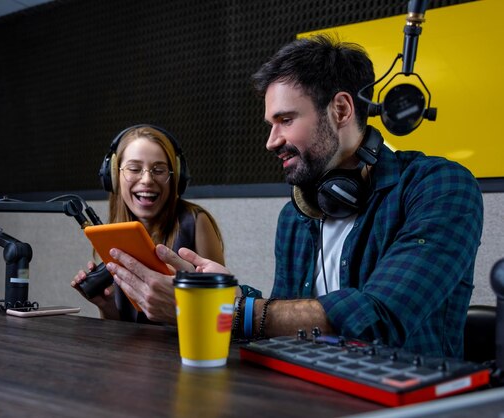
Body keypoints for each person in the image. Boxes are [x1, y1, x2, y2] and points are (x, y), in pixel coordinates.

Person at [101, 34, 484, 359]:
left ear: (340, 109)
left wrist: (225, 312)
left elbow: (379, 317)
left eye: (285, 120)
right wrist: (224, 293)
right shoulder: (296, 213)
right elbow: (285, 318)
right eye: (271, 124)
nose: (271, 141)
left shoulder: (440, 188)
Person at [71, 124, 225, 323]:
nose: (147, 180)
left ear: (175, 177)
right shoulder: (112, 232)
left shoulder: (196, 222)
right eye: (134, 169)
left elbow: (223, 313)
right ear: (114, 176)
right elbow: (122, 329)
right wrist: (106, 306)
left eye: (159, 170)